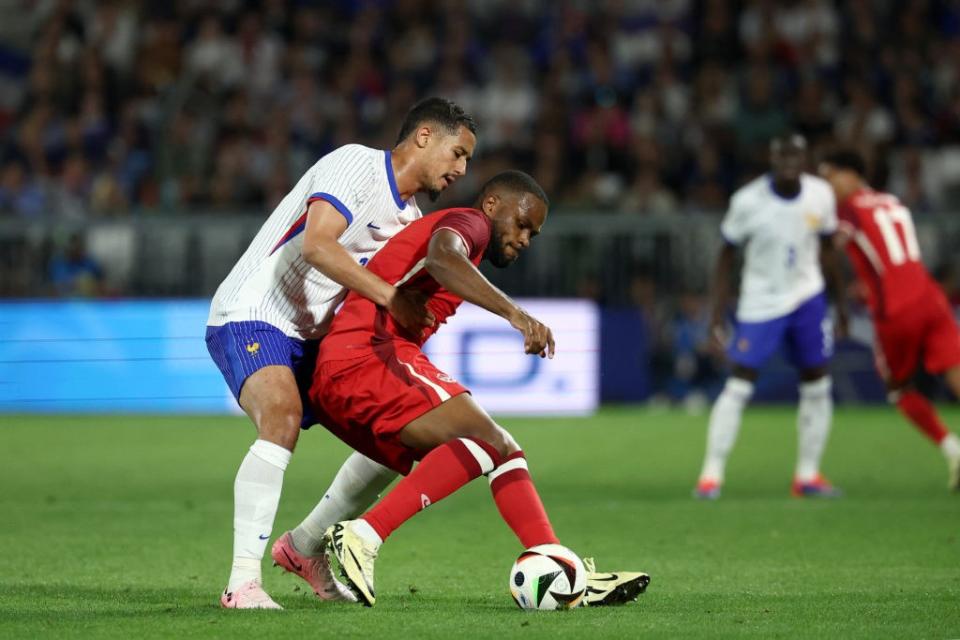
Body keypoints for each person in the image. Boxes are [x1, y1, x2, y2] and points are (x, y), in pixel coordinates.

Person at [284, 171, 649, 607]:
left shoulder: (467, 247)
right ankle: (364, 534)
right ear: (493, 206)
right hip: (366, 354)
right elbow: (443, 258)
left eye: (534, 232)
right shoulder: (469, 224)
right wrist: (516, 315)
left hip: (354, 364)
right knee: (484, 440)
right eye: (522, 224)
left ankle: (557, 564)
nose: (526, 238)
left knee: (502, 448)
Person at [206, 97, 477, 609]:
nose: (461, 169)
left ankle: (305, 547)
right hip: (253, 311)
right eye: (458, 153)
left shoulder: (412, 221)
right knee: (281, 416)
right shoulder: (355, 164)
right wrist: (391, 295)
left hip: (315, 340)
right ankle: (242, 582)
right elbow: (318, 246)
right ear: (424, 136)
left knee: (394, 439)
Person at [694, 134, 849, 499]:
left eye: (796, 155)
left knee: (817, 382)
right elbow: (726, 256)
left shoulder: (820, 194)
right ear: (772, 159)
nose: (789, 163)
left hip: (808, 297)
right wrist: (717, 312)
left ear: (805, 157)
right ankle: (711, 475)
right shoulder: (748, 201)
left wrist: (840, 305)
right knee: (740, 383)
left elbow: (827, 251)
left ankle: (808, 476)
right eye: (782, 156)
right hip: (761, 303)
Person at [818, 149, 960, 491]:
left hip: (896, 311)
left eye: (829, 176)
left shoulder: (846, 209)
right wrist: (868, 283)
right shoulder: (890, 200)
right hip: (931, 296)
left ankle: (953, 448)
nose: (826, 186)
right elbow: (887, 256)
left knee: (897, 389)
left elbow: (832, 247)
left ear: (849, 174)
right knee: (956, 370)